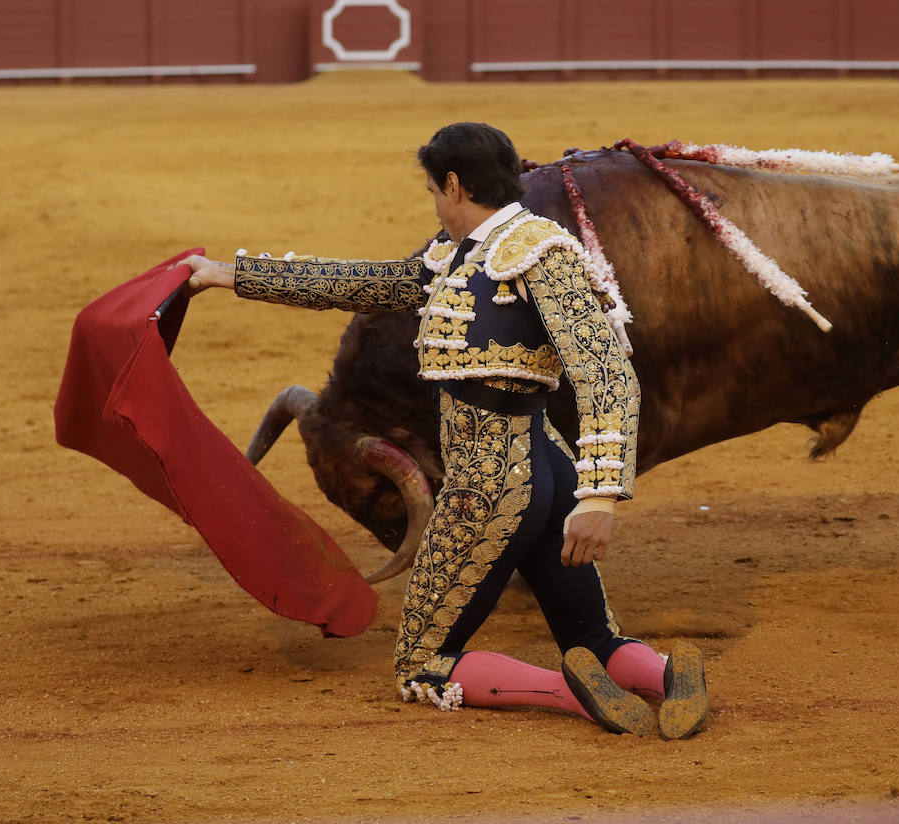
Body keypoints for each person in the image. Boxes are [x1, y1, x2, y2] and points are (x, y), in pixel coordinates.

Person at [177, 123, 707, 740]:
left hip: (489, 483)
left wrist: (601, 498)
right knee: (591, 633)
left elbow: (608, 375)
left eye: (433, 189)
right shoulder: (463, 256)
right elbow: (360, 283)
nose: (434, 201)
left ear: (453, 185)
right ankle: (667, 675)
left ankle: (569, 691)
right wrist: (229, 275)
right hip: (547, 466)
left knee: (423, 664)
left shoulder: (541, 253)